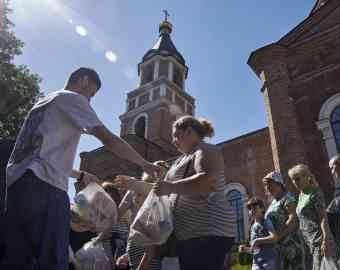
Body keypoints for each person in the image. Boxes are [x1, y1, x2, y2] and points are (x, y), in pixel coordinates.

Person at [1, 67, 161, 270]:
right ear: (84, 80)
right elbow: (108, 139)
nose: (90, 100)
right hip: (46, 188)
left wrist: (81, 174)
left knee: (17, 259)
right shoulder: (72, 98)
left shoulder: (43, 103)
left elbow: (38, 154)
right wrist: (144, 163)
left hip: (17, 185)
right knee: (52, 259)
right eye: (92, 93)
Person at [153, 116, 236, 270]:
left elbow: (207, 181)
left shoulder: (205, 149)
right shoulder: (180, 160)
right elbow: (163, 188)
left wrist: (170, 187)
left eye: (176, 135)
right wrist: (134, 184)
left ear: (190, 131)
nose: (173, 140)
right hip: (189, 236)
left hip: (207, 233)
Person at [288, 164, 337, 270]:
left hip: (320, 240)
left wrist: (325, 239)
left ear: (306, 176)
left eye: (297, 179)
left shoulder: (315, 192)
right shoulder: (301, 194)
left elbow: (323, 217)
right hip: (308, 242)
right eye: (293, 180)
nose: (295, 183)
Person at [262, 171, 305, 270]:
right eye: (266, 185)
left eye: (270, 184)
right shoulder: (273, 203)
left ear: (279, 183)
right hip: (279, 248)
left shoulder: (287, 198)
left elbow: (293, 219)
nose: (268, 188)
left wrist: (278, 236)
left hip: (291, 245)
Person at [239, 197, 279, 270]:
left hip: (268, 261)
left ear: (262, 209)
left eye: (254, 208)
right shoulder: (252, 226)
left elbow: (274, 238)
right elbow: (254, 249)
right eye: (250, 209)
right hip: (256, 263)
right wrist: (245, 249)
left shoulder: (266, 222)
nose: (252, 211)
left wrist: (257, 241)